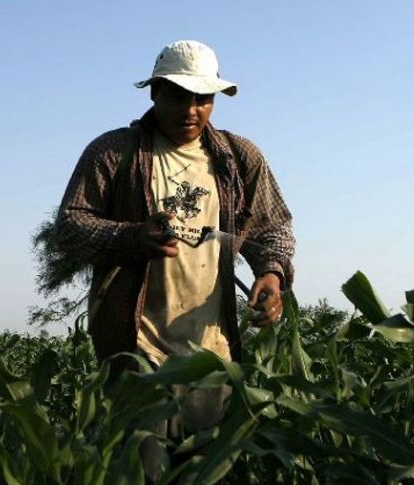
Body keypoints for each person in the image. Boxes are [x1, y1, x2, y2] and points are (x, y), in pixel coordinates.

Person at [55, 40, 295, 478]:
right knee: (143, 473)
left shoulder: (239, 159)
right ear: (155, 92)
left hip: (212, 359)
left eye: (203, 98)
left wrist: (272, 274)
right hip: (139, 354)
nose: (192, 109)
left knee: (202, 473)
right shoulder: (114, 153)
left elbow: (273, 228)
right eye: (179, 95)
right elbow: (70, 225)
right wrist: (131, 238)